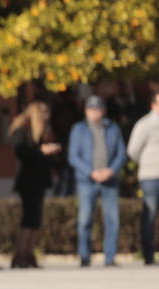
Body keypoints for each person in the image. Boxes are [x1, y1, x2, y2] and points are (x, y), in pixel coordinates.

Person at [68, 95, 126, 267]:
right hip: (87, 180)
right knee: (85, 219)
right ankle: (84, 256)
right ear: (86, 110)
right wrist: (90, 172)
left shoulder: (113, 128)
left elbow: (121, 154)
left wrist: (111, 170)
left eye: (98, 108)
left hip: (109, 179)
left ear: (103, 110)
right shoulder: (78, 129)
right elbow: (73, 156)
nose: (95, 112)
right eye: (91, 109)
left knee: (112, 219)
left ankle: (110, 257)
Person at [8, 101, 61, 268]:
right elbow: (22, 153)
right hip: (28, 180)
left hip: (40, 180)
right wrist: (41, 152)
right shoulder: (21, 132)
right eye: (44, 115)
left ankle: (29, 252)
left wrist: (51, 152)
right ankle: (20, 254)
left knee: (37, 219)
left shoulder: (42, 133)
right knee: (28, 218)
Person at [125, 90, 159, 265]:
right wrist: (148, 162)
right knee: (150, 214)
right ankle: (148, 254)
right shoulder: (144, 124)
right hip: (151, 175)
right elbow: (133, 150)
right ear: (153, 104)